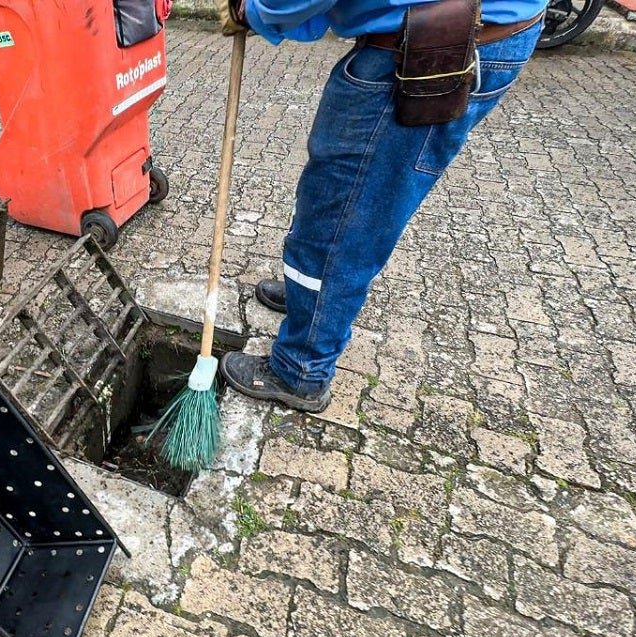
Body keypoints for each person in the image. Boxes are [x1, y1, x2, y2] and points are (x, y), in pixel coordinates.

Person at [216, 0, 550, 412]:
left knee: (345, 211)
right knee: (351, 197)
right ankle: (316, 302)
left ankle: (300, 369)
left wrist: (257, 11)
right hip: (467, 29)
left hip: (428, 49)